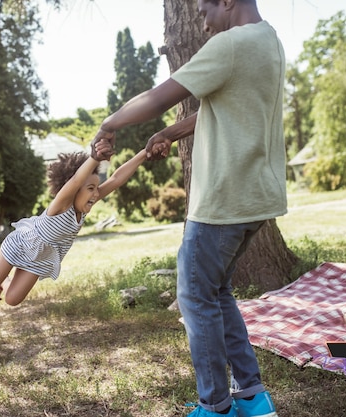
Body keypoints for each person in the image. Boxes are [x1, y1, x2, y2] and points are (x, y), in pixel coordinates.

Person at [91, 1, 285, 416]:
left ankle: (215, 406)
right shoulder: (267, 39)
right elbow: (222, 106)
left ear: (227, 1)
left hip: (222, 199)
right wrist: (170, 131)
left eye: (204, 9)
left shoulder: (230, 44)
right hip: (255, 199)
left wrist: (108, 125)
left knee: (195, 297)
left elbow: (158, 96)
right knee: (217, 292)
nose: (202, 20)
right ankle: (252, 396)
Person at [0, 140, 144, 307]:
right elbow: (77, 180)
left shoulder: (85, 202)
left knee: (12, 299)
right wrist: (94, 157)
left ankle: (0, 283)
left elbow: (116, 178)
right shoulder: (60, 205)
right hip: (21, 244)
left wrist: (145, 153)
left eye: (96, 187)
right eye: (91, 188)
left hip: (42, 257)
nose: (96, 193)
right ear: (72, 191)